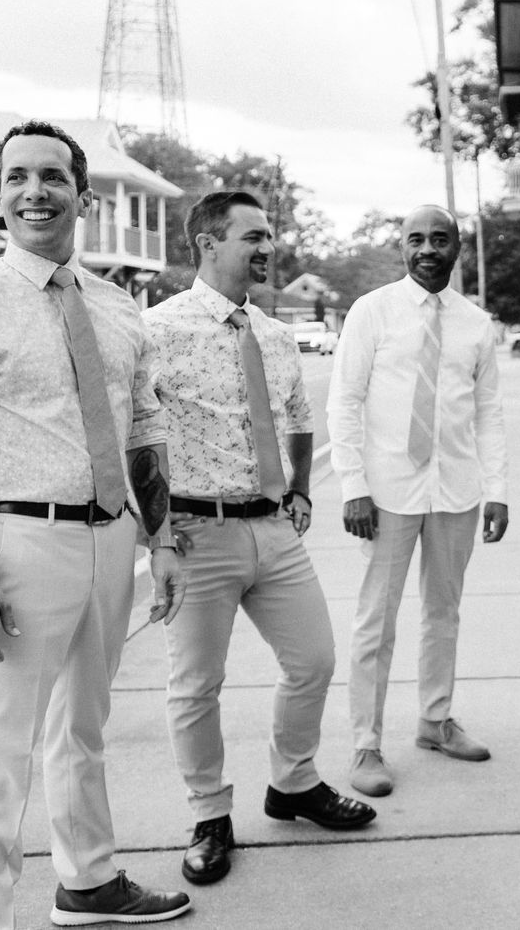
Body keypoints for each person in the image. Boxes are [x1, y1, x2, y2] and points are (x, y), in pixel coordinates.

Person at [0, 121, 192, 927]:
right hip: (20, 543)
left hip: (112, 538)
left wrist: (162, 539)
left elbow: (144, 427)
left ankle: (89, 882)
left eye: (53, 176)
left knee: (83, 728)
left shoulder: (117, 305)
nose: (36, 190)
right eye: (18, 177)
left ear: (83, 196)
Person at [144, 190, 375, 887]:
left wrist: (301, 488)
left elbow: (299, 417)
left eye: (269, 235)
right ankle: (210, 816)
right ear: (207, 243)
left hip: (273, 528)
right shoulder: (156, 331)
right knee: (196, 685)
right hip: (197, 531)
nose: (268, 247)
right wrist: (157, 534)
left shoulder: (273, 334)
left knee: (314, 659)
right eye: (253, 236)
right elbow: (137, 439)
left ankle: (294, 782)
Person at [328, 205, 509, 798]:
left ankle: (435, 721)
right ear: (401, 247)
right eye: (416, 239)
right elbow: (344, 401)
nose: (427, 249)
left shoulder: (476, 324)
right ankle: (366, 744)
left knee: (443, 613)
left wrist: (497, 491)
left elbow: (488, 414)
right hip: (387, 494)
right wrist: (353, 485)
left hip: (455, 490)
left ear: (457, 246)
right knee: (375, 621)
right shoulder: (372, 311)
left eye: (439, 239)